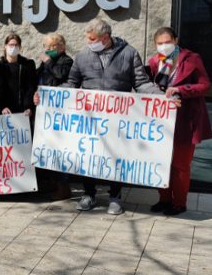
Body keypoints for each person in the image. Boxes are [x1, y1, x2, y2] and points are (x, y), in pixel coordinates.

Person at [46, 18, 162, 215]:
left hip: (117, 119)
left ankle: (115, 197)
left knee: (115, 157)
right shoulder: (83, 56)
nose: (89, 43)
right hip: (90, 118)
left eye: (92, 39)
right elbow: (72, 83)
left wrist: (161, 98)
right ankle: (89, 194)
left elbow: (141, 83)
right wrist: (49, 94)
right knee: (88, 156)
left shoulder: (129, 53)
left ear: (105, 37)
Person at [146, 27, 212, 216]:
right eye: (160, 43)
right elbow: (150, 86)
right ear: (155, 44)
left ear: (176, 40)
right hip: (162, 120)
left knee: (181, 164)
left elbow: (205, 85)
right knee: (161, 161)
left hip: (187, 119)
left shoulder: (192, 59)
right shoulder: (154, 62)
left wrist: (181, 90)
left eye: (167, 42)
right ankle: (164, 199)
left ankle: (179, 203)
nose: (164, 46)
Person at [36, 33, 74, 201]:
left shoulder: (67, 61)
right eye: (47, 46)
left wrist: (48, 61)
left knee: (60, 149)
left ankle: (63, 186)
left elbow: (60, 75)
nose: (49, 49)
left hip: (60, 112)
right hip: (45, 112)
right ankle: (50, 183)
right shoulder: (44, 63)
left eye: (53, 46)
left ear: (62, 47)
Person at [0, 33, 37, 117]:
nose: (14, 47)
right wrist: (2, 107)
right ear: (5, 46)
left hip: (23, 111)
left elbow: (30, 87)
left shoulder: (27, 64)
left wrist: (29, 107)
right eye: (11, 45)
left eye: (16, 45)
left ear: (20, 47)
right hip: (5, 111)